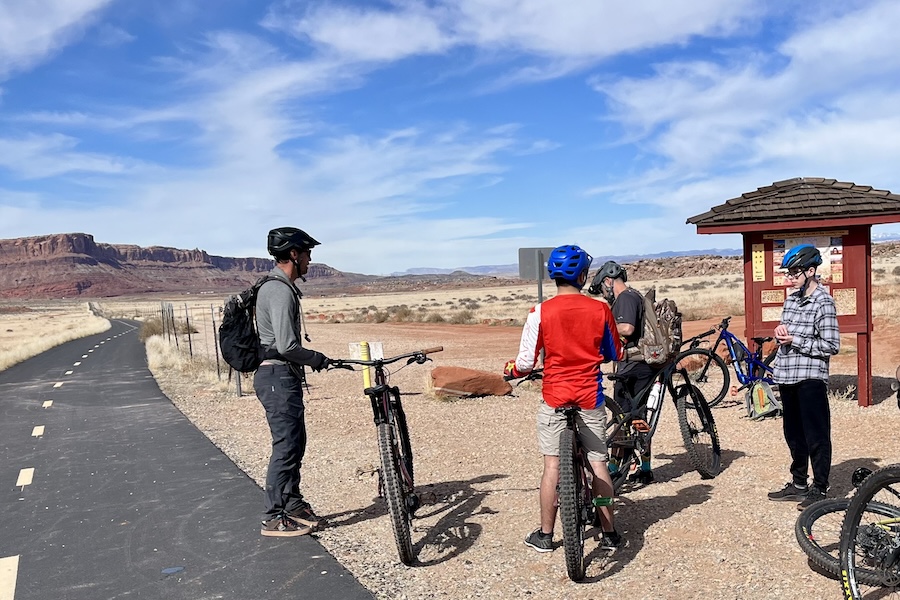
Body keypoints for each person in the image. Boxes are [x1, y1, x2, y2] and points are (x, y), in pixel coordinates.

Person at [504, 244, 625, 553]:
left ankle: (546, 535)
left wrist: (511, 370)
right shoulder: (599, 309)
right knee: (599, 465)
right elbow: (615, 353)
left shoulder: (539, 312)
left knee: (552, 468)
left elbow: (525, 364)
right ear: (583, 276)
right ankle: (609, 533)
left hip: (555, 397)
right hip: (589, 397)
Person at [254, 226, 332, 536]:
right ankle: (273, 516)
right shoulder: (279, 289)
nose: (310, 261)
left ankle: (293, 503)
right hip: (276, 376)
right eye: (308, 254)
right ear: (294, 254)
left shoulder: (280, 287)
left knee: (296, 443)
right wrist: (316, 358)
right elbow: (286, 346)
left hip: (281, 375)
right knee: (286, 446)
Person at [766, 244, 840, 509]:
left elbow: (831, 345)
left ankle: (820, 487)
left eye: (796, 271)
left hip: (810, 376)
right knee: (793, 434)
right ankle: (798, 483)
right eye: (789, 272)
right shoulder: (791, 299)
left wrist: (795, 340)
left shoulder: (824, 302)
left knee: (816, 434)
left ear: (811, 271)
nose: (791, 276)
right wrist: (781, 332)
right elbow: (786, 331)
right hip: (787, 374)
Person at [589, 260, 659, 484]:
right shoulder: (634, 296)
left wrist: (601, 327)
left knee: (622, 416)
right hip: (638, 365)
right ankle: (642, 465)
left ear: (608, 281)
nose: (604, 293)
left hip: (634, 366)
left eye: (602, 288)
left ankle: (616, 466)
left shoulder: (626, 298)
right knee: (636, 417)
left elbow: (627, 328)